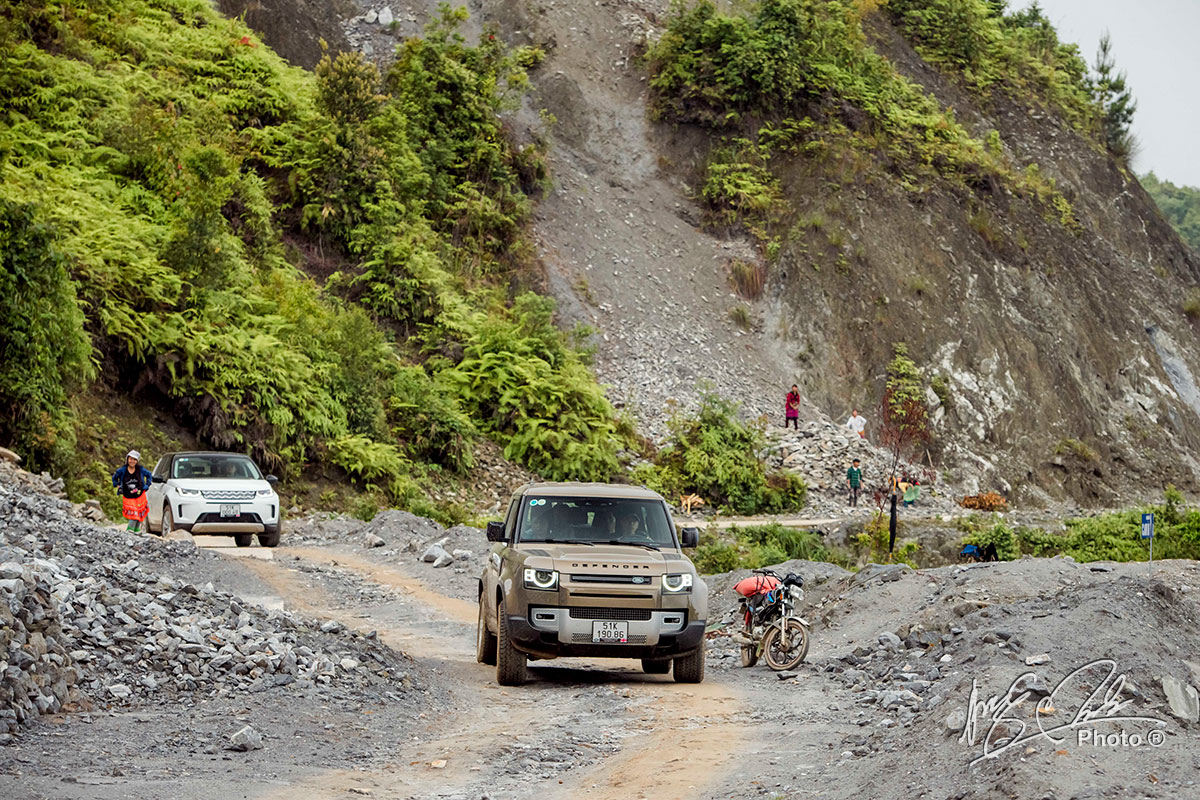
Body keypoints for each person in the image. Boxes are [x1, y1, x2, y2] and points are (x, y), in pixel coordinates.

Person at [112, 450, 152, 532]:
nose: (132, 461)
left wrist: (147, 485)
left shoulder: (140, 469)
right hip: (128, 496)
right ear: (127, 459)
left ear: (137, 461)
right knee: (134, 514)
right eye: (131, 459)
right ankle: (129, 532)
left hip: (140, 495)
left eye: (134, 459)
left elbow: (149, 475)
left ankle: (136, 531)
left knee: (139, 514)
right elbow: (115, 477)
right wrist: (117, 485)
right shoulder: (122, 470)